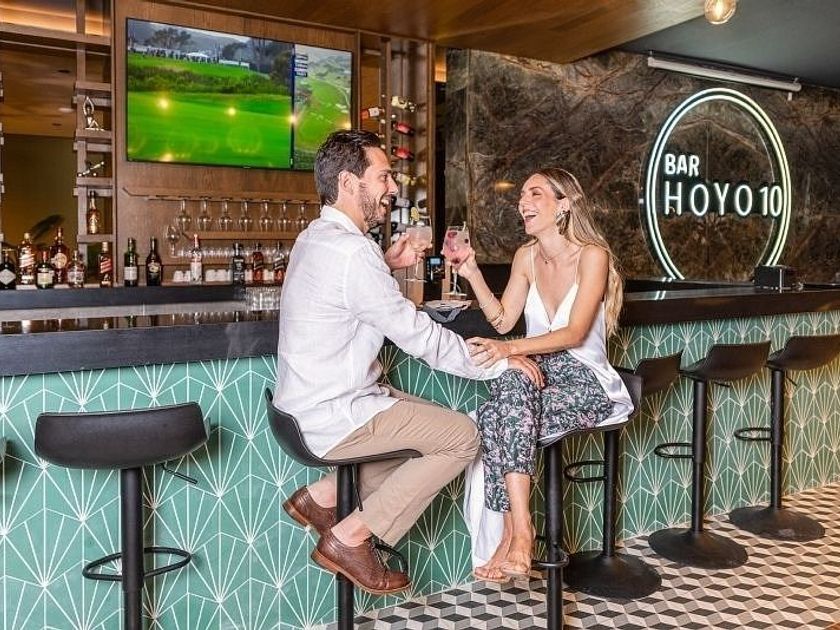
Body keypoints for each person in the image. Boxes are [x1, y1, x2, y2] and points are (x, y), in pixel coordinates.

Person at [274, 129, 541, 595]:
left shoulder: (315, 237)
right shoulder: (353, 252)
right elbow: (420, 336)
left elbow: (344, 288)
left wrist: (385, 264)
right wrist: (497, 362)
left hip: (302, 404)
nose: (393, 188)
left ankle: (323, 496)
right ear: (348, 182)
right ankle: (349, 537)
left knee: (428, 431)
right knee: (462, 437)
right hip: (333, 412)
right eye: (383, 177)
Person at [451, 167, 633, 582]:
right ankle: (521, 530)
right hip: (541, 374)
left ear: (564, 204)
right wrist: (473, 273)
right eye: (522, 195)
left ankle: (511, 535)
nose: (523, 202)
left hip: (587, 378)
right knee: (511, 383)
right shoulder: (526, 257)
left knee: (496, 415)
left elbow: (574, 333)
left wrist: (510, 350)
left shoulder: (592, 255)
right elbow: (503, 320)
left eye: (535, 194)